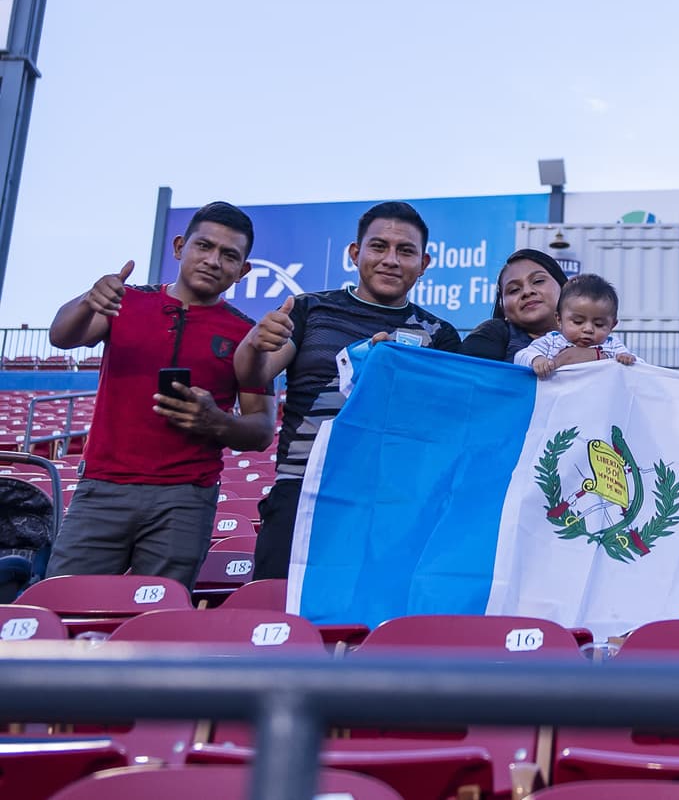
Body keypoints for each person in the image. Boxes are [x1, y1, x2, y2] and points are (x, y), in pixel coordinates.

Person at [45, 201, 276, 589]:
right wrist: (89, 297)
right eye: (204, 246)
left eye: (229, 255)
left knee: (154, 621)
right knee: (63, 603)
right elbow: (62, 337)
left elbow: (262, 429)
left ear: (243, 271)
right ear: (179, 246)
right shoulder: (124, 301)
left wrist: (215, 421)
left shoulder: (246, 335)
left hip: (185, 501)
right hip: (102, 489)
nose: (213, 261)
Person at [235, 201, 462, 579]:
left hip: (394, 500)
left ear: (424, 264)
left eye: (405, 251)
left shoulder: (440, 334)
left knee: (377, 629)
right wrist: (256, 344)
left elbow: (449, 422)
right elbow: (254, 375)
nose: (391, 259)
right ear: (355, 254)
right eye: (378, 247)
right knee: (281, 626)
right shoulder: (309, 309)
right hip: (304, 490)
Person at [514, 273, 639, 378]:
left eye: (599, 324)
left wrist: (628, 360)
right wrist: (537, 359)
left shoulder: (612, 345)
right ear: (559, 319)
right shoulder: (551, 341)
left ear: (612, 325)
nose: (588, 329)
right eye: (578, 322)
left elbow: (642, 369)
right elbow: (520, 357)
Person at [460, 249, 570, 362]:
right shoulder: (492, 335)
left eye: (538, 281)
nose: (527, 292)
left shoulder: (587, 339)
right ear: (503, 308)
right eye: (514, 290)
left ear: (564, 287)